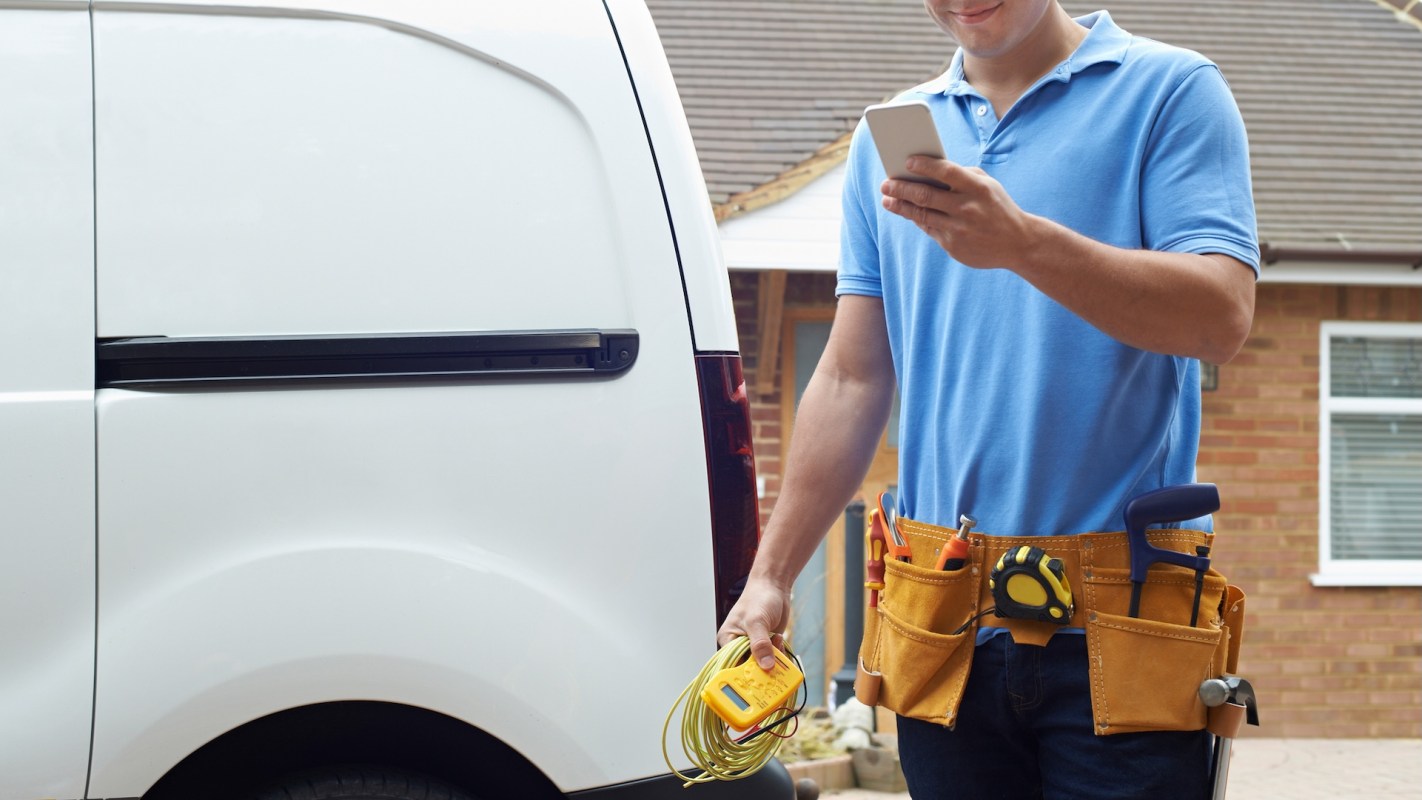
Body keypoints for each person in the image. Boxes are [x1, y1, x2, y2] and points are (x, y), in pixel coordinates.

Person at [716, 1, 1258, 797]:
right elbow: (852, 375)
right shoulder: (890, 139)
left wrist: (1024, 245)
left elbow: (1220, 316)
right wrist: (771, 573)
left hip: (1121, 623)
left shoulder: (1171, 91)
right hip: (943, 620)